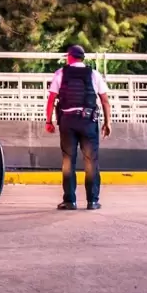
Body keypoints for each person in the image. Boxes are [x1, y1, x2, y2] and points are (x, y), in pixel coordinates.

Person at [44, 45, 112, 210]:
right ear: (82, 58)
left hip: (68, 121)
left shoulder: (60, 73)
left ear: (69, 57)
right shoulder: (94, 74)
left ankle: (70, 201)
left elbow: (51, 99)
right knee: (91, 160)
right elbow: (104, 101)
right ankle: (92, 201)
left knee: (68, 160)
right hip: (88, 121)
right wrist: (107, 122)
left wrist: (49, 121)